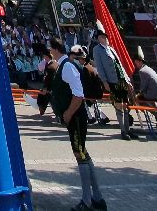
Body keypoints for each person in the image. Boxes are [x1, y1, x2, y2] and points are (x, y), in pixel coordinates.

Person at [48, 37, 106, 211]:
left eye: (50, 48)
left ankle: (87, 201)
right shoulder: (63, 65)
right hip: (74, 117)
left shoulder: (67, 66)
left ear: (54, 49)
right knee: (83, 153)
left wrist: (68, 113)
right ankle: (97, 198)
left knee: (79, 154)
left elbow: (78, 94)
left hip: (76, 117)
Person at [92, 29, 135, 140]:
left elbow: (120, 65)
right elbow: (100, 67)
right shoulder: (97, 50)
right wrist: (104, 81)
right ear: (98, 38)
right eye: (102, 37)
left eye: (105, 36)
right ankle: (123, 131)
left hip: (121, 79)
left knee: (125, 105)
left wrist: (127, 80)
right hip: (112, 80)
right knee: (118, 105)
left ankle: (128, 130)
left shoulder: (111, 49)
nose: (105, 38)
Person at [69, 47, 109, 126]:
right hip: (95, 91)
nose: (79, 60)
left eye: (80, 59)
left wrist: (82, 93)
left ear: (83, 60)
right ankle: (102, 117)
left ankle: (90, 117)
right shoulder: (90, 67)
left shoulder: (86, 69)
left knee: (80, 100)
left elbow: (87, 84)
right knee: (86, 101)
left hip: (93, 92)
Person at [131, 53, 157, 128]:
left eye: (136, 62)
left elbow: (143, 86)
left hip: (154, 94)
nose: (135, 64)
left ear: (140, 62)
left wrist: (138, 94)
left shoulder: (142, 71)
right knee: (145, 97)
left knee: (137, 99)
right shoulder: (148, 68)